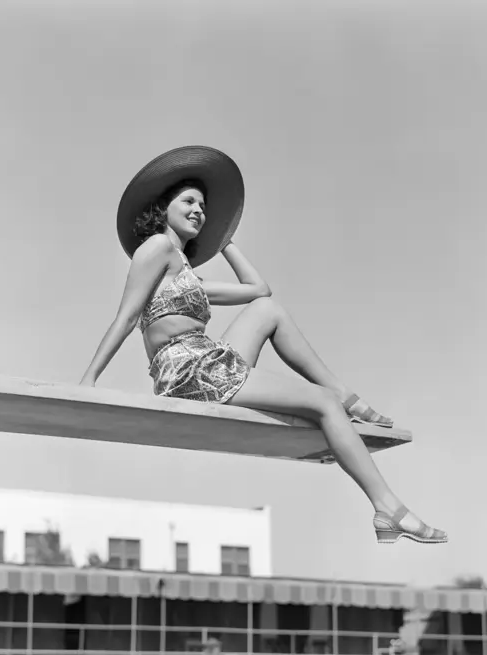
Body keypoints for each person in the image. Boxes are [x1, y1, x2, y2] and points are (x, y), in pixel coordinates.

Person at [81, 146, 447, 545]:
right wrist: (88, 380)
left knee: (268, 309)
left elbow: (259, 289)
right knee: (321, 402)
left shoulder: (190, 277)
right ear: (162, 209)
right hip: (188, 370)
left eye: (203, 206)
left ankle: (344, 396)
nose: (198, 211)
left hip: (209, 360)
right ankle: (388, 507)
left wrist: (223, 239)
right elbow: (127, 316)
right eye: (188, 201)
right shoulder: (155, 249)